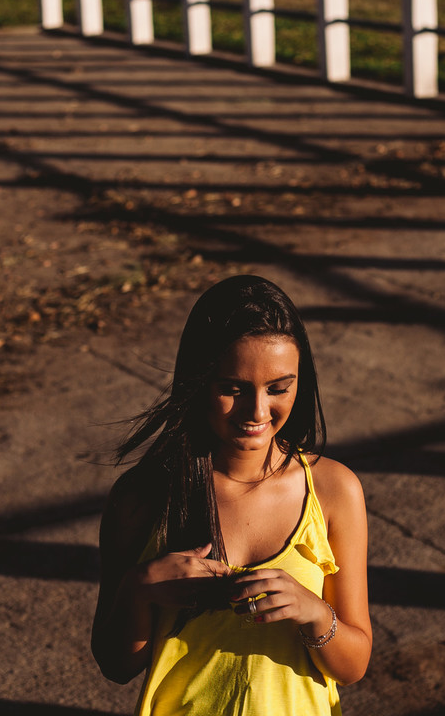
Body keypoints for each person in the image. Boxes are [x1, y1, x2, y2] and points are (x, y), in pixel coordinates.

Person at [91, 275, 371, 715]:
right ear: (197, 382)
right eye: (233, 389)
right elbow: (115, 663)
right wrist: (139, 589)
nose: (258, 412)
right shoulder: (142, 497)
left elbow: (353, 665)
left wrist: (314, 612)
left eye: (279, 388)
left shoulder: (334, 490)